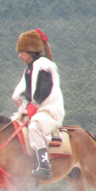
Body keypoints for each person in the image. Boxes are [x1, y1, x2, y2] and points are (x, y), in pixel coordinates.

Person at [11, 29, 64, 180]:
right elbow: (27, 91)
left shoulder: (43, 66)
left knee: (34, 126)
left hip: (49, 111)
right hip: (35, 110)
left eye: (22, 52)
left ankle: (44, 165)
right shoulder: (29, 69)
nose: (19, 56)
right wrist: (19, 99)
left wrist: (32, 108)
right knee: (12, 126)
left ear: (30, 51)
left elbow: (43, 90)